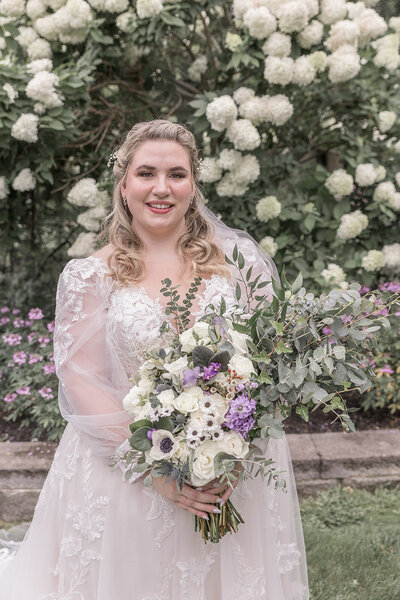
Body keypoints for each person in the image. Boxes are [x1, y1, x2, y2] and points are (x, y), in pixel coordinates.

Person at [0, 119, 309, 599]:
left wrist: (230, 448)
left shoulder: (240, 263)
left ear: (194, 185)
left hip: (230, 468)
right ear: (123, 185)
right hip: (124, 468)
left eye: (177, 174)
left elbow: (271, 358)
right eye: (146, 173)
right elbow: (80, 378)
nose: (161, 188)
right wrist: (156, 472)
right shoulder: (90, 275)